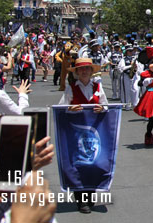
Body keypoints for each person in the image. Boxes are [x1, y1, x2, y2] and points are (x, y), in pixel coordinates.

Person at [58, 57, 108, 213]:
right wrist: (69, 109)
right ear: (77, 72)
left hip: (94, 132)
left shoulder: (98, 87)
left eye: (87, 68)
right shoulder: (71, 88)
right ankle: (81, 200)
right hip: (76, 133)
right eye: (81, 69)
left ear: (91, 71)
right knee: (78, 164)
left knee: (94, 162)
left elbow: (107, 105)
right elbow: (60, 107)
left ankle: (90, 195)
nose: (84, 71)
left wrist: (103, 108)